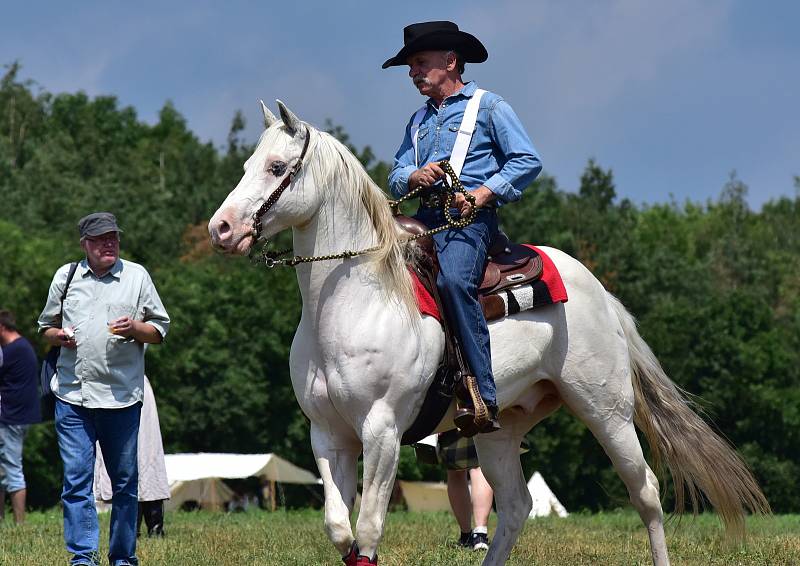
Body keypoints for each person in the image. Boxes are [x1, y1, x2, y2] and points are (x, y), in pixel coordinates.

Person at [385, 21, 542, 432]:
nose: (412, 72)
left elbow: (526, 160)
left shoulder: (489, 107)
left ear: (450, 62)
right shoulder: (417, 121)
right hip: (424, 218)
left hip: (470, 221)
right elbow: (397, 172)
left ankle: (483, 395)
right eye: (411, 66)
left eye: (419, 63)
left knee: (454, 281)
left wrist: (481, 195)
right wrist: (412, 177)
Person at [38, 212, 170, 566]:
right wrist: (59, 336)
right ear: (84, 245)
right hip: (72, 396)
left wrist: (135, 329)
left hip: (122, 398)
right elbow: (45, 327)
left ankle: (123, 557)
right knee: (76, 482)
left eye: (113, 237)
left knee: (125, 484)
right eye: (99, 239)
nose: (108, 243)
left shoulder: (137, 276)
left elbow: (159, 330)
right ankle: (82, 557)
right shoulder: (65, 277)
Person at [95, 375, 170, 538]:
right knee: (125, 458)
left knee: (146, 455)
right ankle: (130, 527)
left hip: (133, 386)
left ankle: (152, 526)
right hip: (108, 391)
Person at [0, 309, 41, 524]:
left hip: (11, 418)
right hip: (19, 417)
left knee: (13, 470)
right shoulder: (22, 346)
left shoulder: (12, 351)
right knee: (3, 470)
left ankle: (19, 523)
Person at [438, 430, 493, 551]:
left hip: (451, 415)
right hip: (482, 414)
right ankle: (480, 536)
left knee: (455, 470)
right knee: (479, 466)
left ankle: (466, 537)